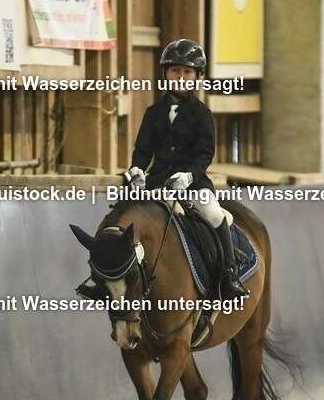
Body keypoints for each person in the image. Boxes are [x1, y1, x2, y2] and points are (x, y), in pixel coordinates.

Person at [77, 39, 249, 302]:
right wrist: (136, 169)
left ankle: (228, 275)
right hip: (157, 181)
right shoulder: (153, 112)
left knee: (214, 214)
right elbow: (143, 149)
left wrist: (189, 175)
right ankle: (102, 275)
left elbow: (205, 153)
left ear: (197, 76)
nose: (181, 77)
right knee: (120, 214)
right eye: (175, 71)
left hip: (193, 182)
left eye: (188, 72)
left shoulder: (202, 114)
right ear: (166, 74)